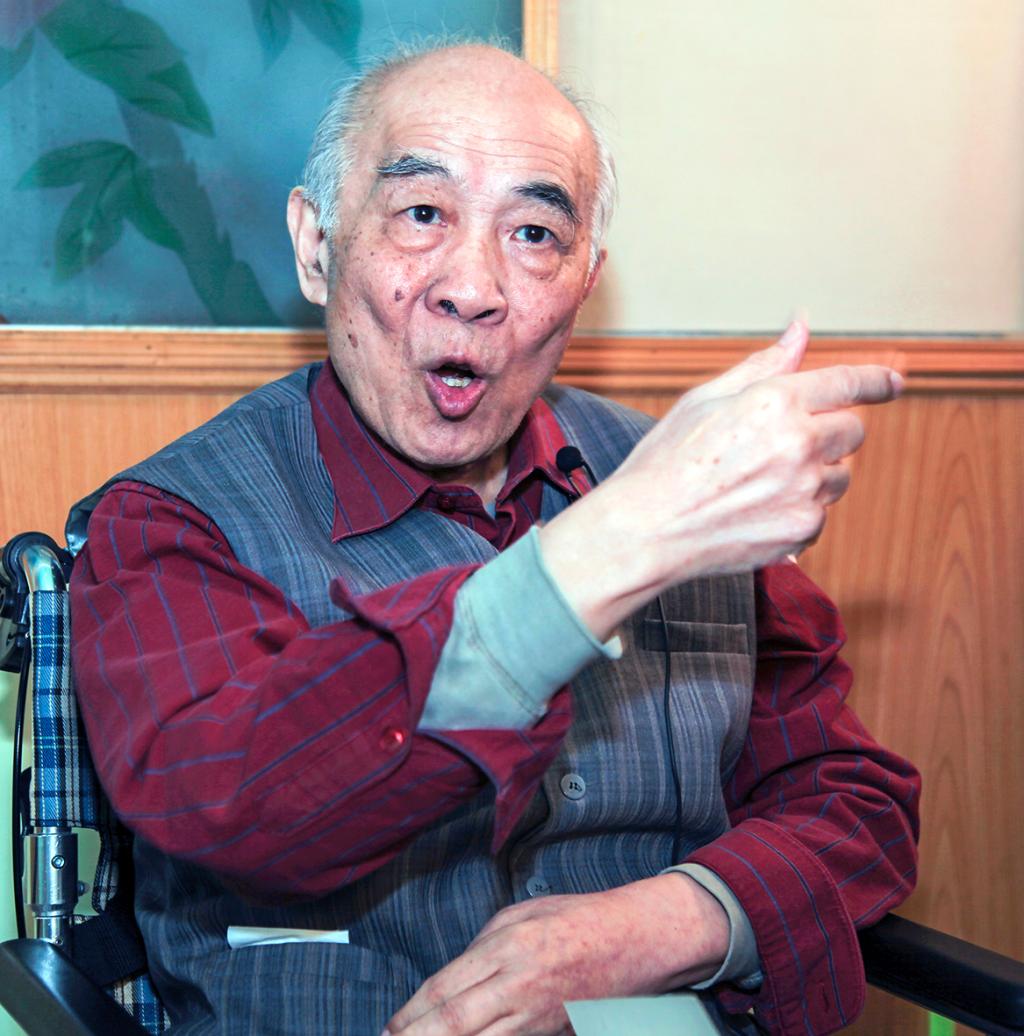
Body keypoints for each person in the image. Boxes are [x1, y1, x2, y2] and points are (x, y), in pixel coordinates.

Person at [68, 42, 920, 1036]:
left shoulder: (681, 482)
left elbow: (854, 805)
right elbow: (228, 807)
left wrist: (662, 928)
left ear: (584, 283)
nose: (472, 287)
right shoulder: (175, 520)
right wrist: (622, 541)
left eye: (532, 233)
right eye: (422, 214)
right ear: (316, 246)